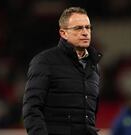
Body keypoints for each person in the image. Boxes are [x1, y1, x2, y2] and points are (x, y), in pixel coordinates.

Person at [22, 7, 102, 135]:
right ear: (63, 33)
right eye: (78, 28)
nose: (85, 32)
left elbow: (90, 115)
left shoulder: (94, 67)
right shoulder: (44, 61)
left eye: (88, 27)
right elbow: (31, 109)